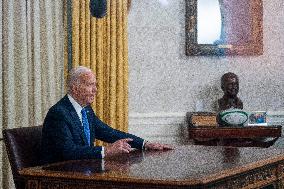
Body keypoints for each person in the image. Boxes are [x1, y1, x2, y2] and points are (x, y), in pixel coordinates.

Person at [41, 66, 172, 164]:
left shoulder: (86, 110)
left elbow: (109, 133)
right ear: (75, 88)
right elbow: (68, 152)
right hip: (59, 175)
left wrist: (145, 144)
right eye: (90, 85)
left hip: (82, 169)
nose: (95, 90)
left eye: (95, 85)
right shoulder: (58, 113)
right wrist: (107, 151)